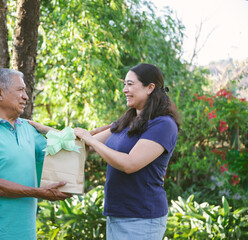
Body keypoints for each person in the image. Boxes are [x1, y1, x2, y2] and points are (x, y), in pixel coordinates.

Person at [0, 68, 71, 240]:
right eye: (20, 90)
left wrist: (46, 129)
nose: (26, 96)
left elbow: (69, 145)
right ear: (0, 94)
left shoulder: (27, 128)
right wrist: (37, 192)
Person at [74, 63, 180, 240]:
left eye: (130, 84)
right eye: (124, 84)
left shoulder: (163, 125)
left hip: (141, 217)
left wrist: (90, 138)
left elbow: (130, 164)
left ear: (150, 88)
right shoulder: (128, 120)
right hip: (118, 213)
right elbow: (85, 144)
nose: (124, 90)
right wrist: (40, 130)